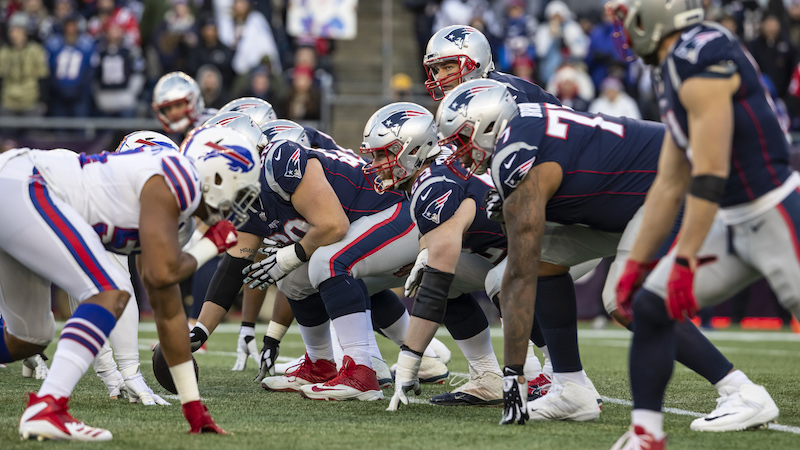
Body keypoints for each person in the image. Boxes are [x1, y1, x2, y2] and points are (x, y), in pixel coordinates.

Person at [436, 79, 774, 428]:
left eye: (461, 140)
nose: (459, 153)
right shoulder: (523, 127)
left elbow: (518, 274)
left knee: (626, 298)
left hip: (673, 181)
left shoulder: (516, 154)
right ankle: (571, 388)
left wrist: (514, 376)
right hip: (628, 197)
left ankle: (741, 392)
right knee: (544, 262)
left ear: (489, 126)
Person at [607, 1, 794, 447]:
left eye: (629, 18)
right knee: (649, 307)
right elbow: (670, 181)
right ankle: (646, 435)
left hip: (774, 212)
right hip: (728, 220)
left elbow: (710, 171)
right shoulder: (671, 66)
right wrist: (637, 266)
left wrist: (685, 259)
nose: (625, 31)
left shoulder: (700, 51)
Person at [1, 125, 261, 440]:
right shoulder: (176, 176)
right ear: (217, 175)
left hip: (19, 189)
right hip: (27, 182)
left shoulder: (178, 214)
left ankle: (48, 406)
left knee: (29, 337)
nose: (237, 204)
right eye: (240, 191)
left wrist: (194, 409)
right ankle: (48, 407)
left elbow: (167, 307)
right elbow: (161, 273)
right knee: (111, 290)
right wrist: (210, 246)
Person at [361, 102, 508, 408]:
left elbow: (437, 277)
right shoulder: (433, 170)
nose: (376, 164)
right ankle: (488, 376)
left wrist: (410, 359)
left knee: (493, 280)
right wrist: (424, 253)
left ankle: (546, 376)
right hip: (509, 246)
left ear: (412, 150)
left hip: (547, 244)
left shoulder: (432, 184)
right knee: (450, 278)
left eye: (382, 154)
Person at [423, 24, 560, 104]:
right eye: (436, 70)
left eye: (448, 67)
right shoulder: (468, 96)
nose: (440, 77)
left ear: (476, 64)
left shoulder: (504, 94)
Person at [152, 71, 218, 136]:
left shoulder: (210, 124)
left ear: (194, 101)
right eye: (168, 109)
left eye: (178, 105)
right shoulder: (180, 133)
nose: (174, 112)